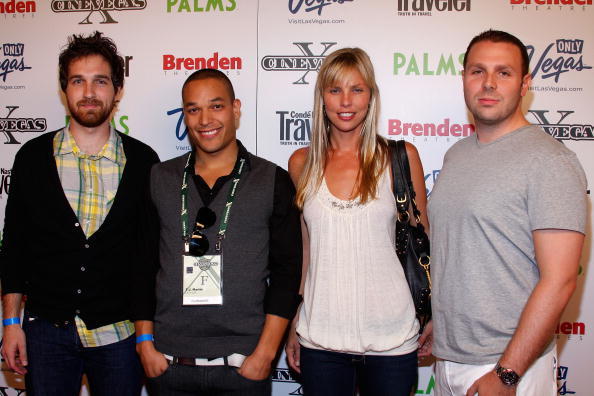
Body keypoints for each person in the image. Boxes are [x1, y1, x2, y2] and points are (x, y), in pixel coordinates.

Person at [429, 30, 588, 396]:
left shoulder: (550, 161)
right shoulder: (458, 153)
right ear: (464, 78)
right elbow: (466, 252)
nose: (488, 83)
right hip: (450, 360)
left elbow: (560, 279)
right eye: (477, 71)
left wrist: (507, 374)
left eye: (504, 73)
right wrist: (443, 323)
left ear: (525, 84)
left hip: (508, 366)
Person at [0, 31, 159, 395]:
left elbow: (147, 257)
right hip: (45, 333)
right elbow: (15, 247)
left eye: (100, 81)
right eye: (78, 81)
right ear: (64, 90)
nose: (89, 93)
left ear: (117, 90)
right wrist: (11, 322)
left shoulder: (144, 161)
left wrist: (146, 333)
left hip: (119, 335)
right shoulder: (32, 157)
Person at [133, 68, 302, 395]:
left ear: (236, 109)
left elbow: (287, 273)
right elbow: (141, 264)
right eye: (193, 109)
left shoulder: (272, 180)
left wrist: (266, 353)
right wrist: (144, 343)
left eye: (216, 106)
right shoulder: (159, 178)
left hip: (244, 366)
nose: (204, 119)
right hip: (168, 363)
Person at [285, 47, 431, 396]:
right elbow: (308, 251)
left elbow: (425, 243)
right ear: (322, 97)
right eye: (335, 90)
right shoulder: (300, 163)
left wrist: (432, 313)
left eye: (357, 89)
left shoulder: (401, 157)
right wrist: (294, 319)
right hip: (320, 337)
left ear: (371, 95)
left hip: (393, 337)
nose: (346, 101)